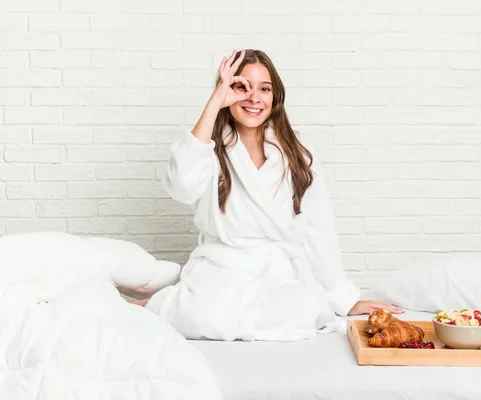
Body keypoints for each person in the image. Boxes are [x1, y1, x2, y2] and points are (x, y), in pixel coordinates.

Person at [140, 49, 403, 341]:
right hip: (222, 267)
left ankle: (175, 302)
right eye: (242, 87)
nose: (254, 98)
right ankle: (157, 303)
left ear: (275, 96)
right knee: (205, 314)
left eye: (264, 89)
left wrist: (344, 297)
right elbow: (181, 186)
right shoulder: (208, 146)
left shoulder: (297, 149)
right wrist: (214, 102)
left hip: (278, 271)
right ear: (226, 91)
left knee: (302, 309)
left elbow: (318, 228)